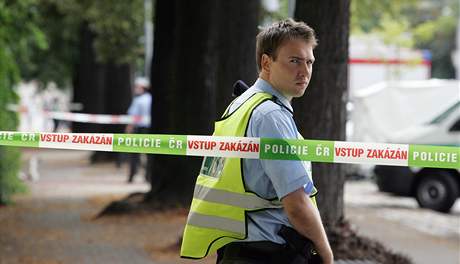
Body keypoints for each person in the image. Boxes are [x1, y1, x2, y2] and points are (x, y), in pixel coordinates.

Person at [180, 19, 333, 264]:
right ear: (266, 62)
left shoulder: (243, 104)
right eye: (294, 60)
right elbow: (296, 204)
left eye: (309, 61)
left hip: (241, 250)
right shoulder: (270, 116)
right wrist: (326, 253)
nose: (304, 71)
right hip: (268, 253)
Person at [126, 77, 152, 183]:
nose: (136, 89)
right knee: (150, 152)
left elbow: (133, 116)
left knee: (134, 153)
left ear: (142, 88)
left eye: (137, 87)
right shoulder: (151, 98)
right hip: (149, 129)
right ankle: (148, 176)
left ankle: (132, 175)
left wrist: (129, 128)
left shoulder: (138, 100)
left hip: (139, 128)